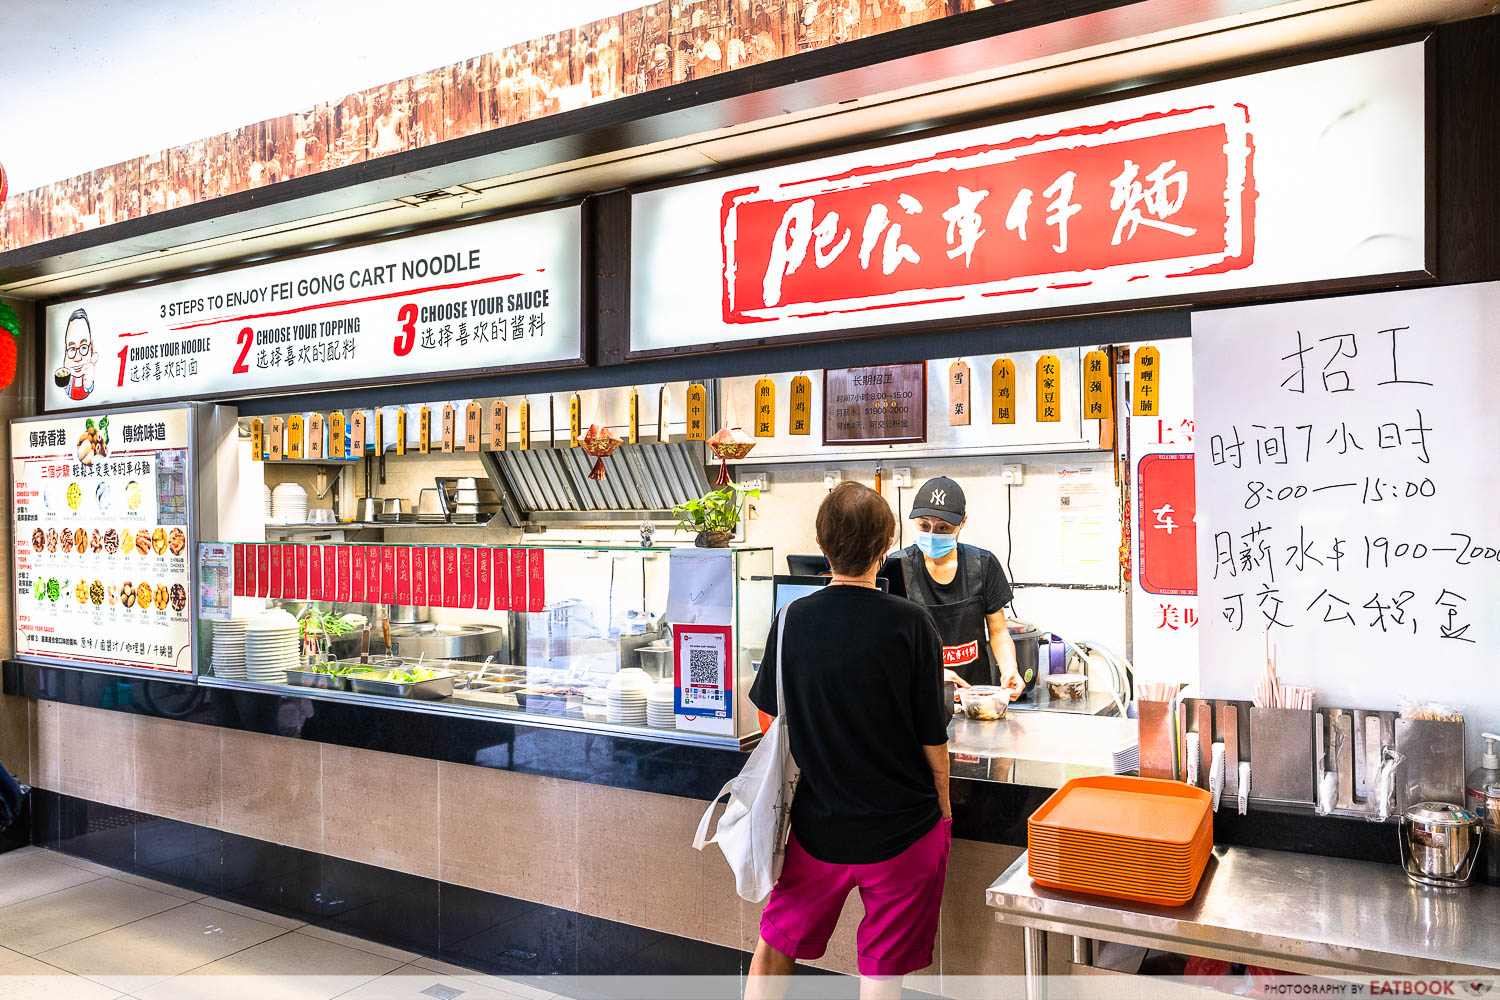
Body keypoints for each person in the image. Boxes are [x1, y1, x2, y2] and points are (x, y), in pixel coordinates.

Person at [747, 482, 951, 1000]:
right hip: (904, 831)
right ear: (886, 546)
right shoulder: (913, 623)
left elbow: (768, 714)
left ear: (822, 545)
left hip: (818, 830)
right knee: (881, 973)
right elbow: (932, 737)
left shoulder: (793, 618)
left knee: (775, 947)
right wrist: (945, 808)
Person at [900, 476, 1025, 698]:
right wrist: (933, 674)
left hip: (975, 698)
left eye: (943, 527)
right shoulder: (897, 568)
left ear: (962, 523)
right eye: (923, 525)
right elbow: (889, 647)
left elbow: (998, 632)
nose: (931, 534)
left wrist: (1009, 669)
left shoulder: (984, 565)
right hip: (919, 699)